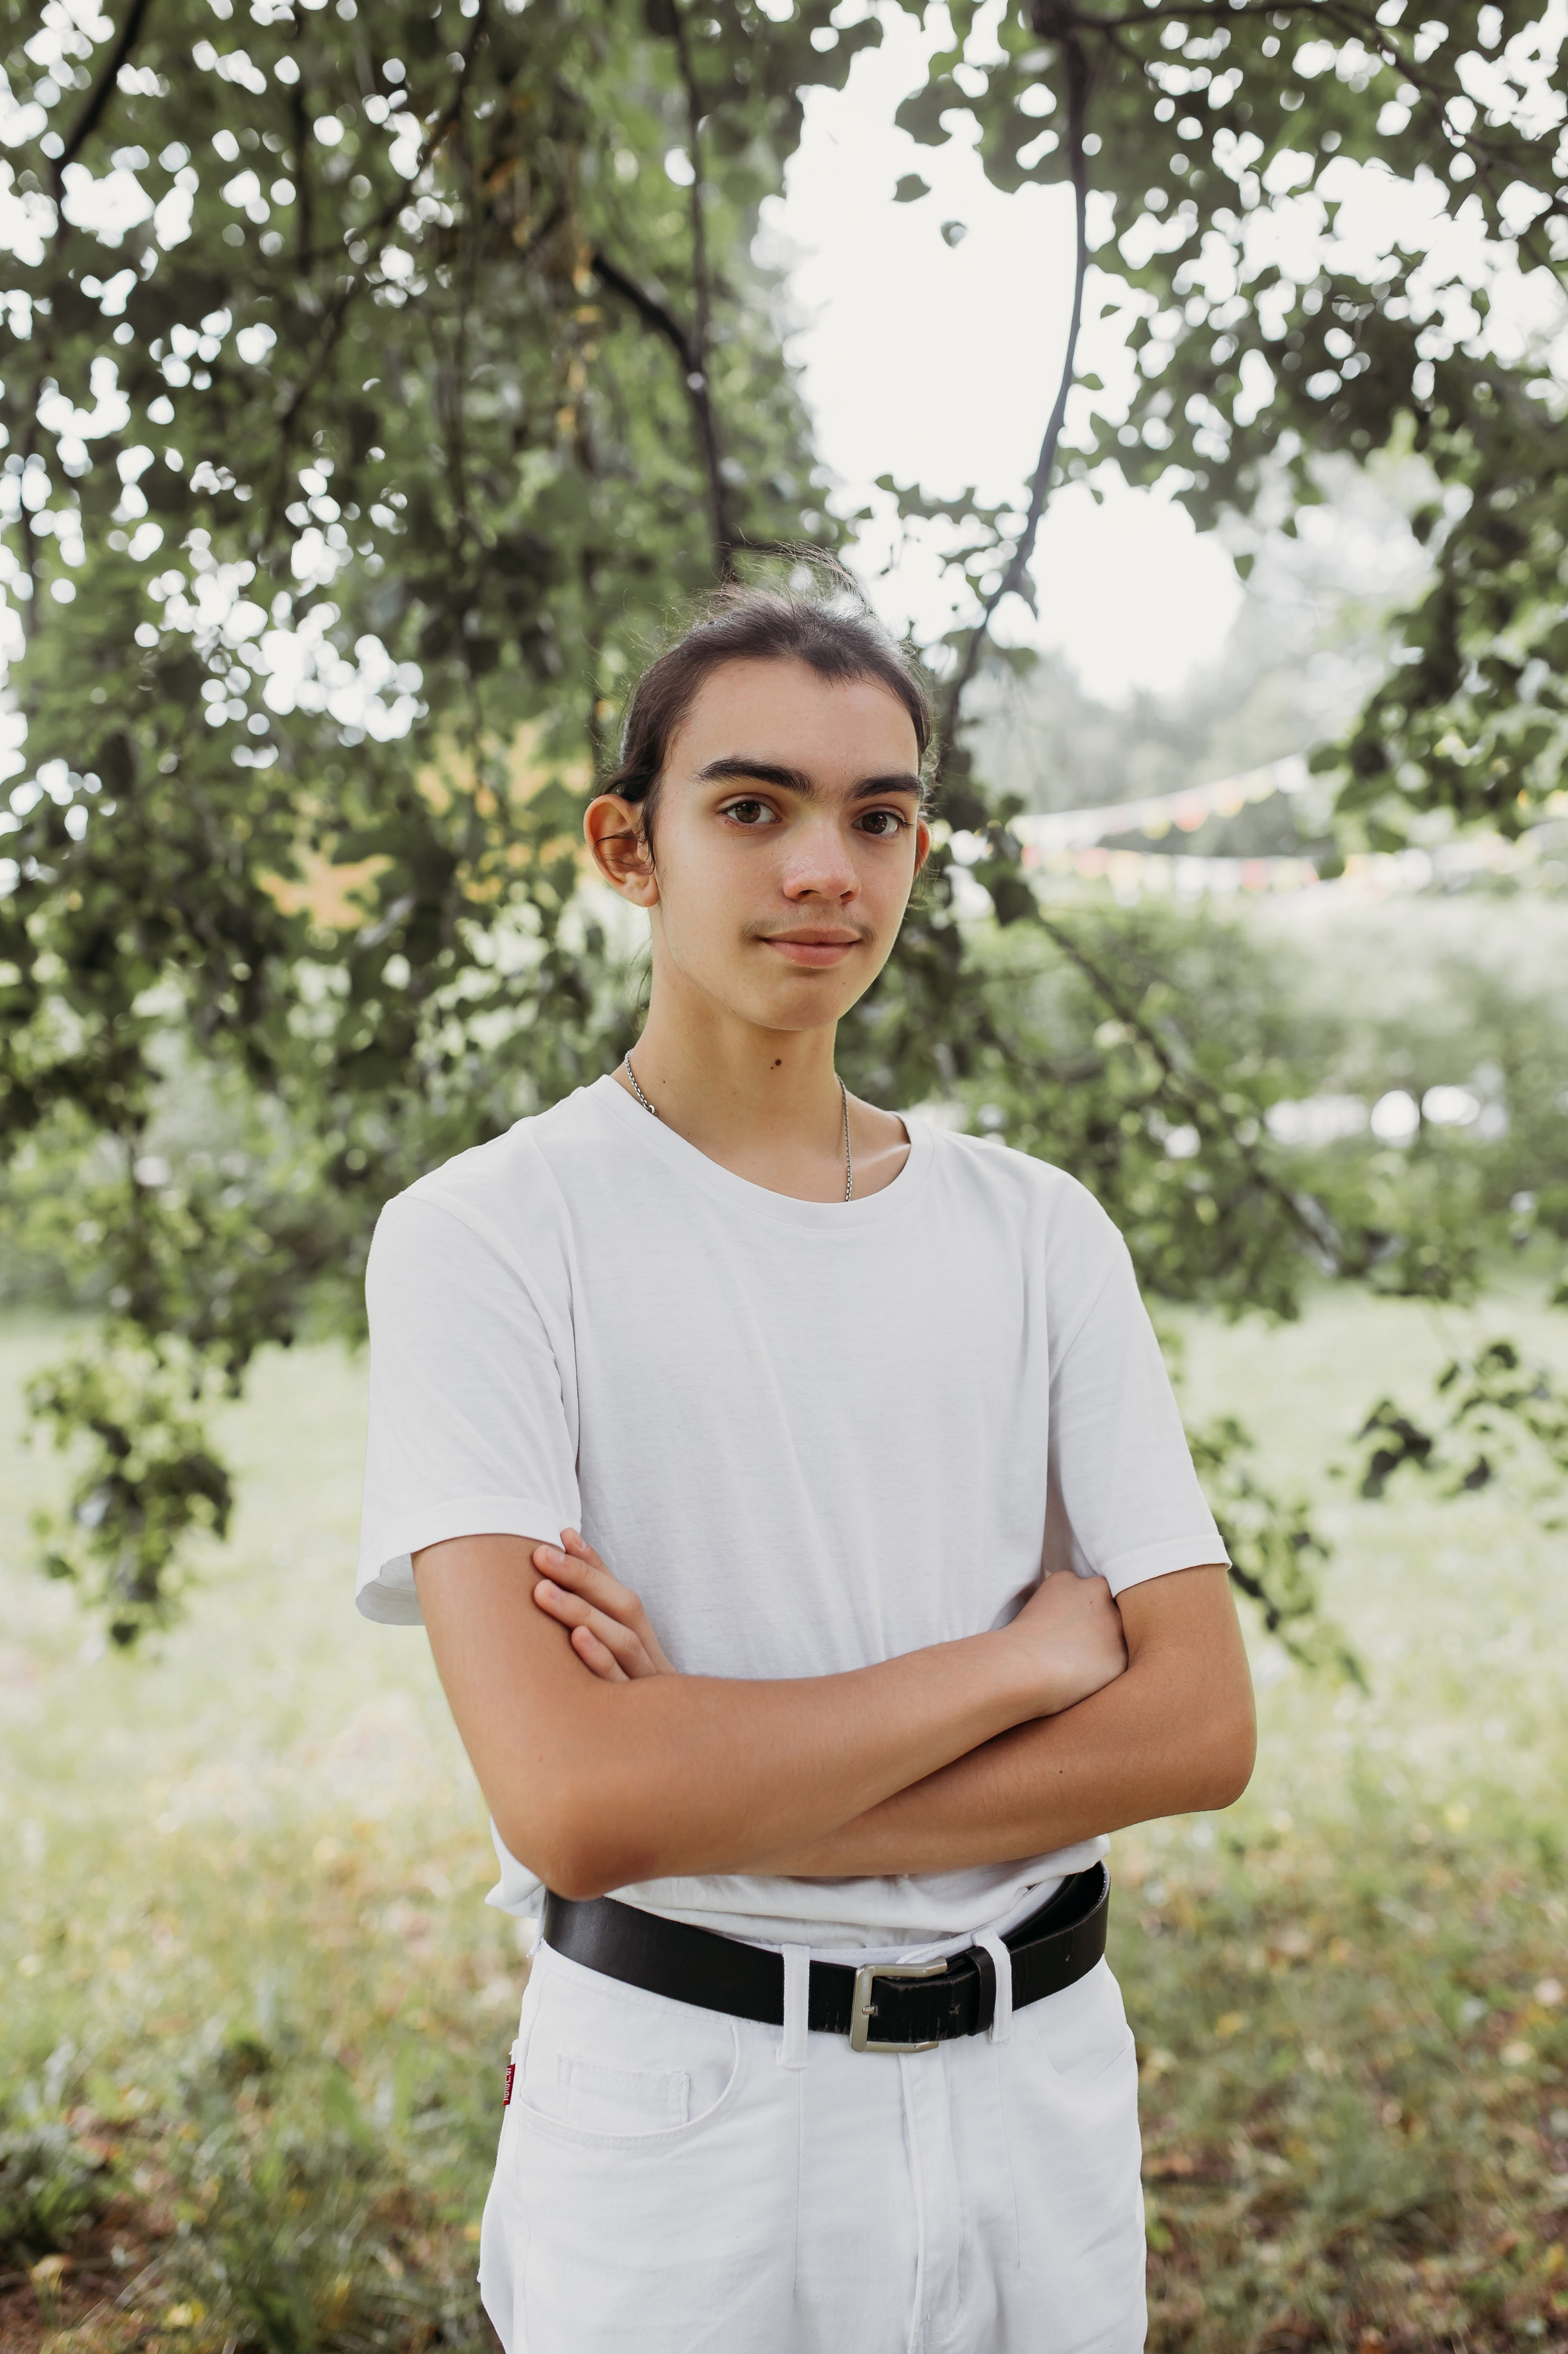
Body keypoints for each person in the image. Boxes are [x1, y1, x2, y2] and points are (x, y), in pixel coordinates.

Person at [355, 587, 1256, 2354]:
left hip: (1040, 2097)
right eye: (754, 808)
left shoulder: (1039, 1233)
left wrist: (714, 1774)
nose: (825, 870)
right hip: (691, 2118)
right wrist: (1021, 1668)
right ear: (630, 846)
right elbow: (576, 1808)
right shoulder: (489, 1237)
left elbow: (1198, 1729)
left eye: (879, 816)